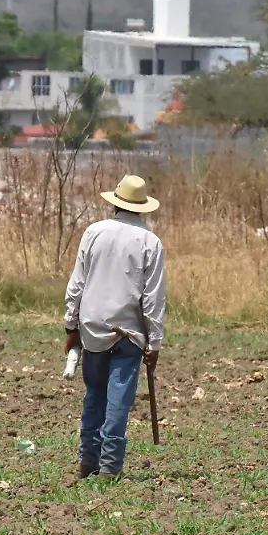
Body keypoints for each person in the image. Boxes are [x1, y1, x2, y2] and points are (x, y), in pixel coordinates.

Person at [64, 175, 165, 482]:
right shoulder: (150, 242)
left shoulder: (93, 232)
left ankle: (87, 462)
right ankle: (110, 467)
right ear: (143, 208)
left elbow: (76, 284)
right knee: (119, 400)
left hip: (92, 327)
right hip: (129, 333)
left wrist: (70, 325)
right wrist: (154, 343)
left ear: (115, 203)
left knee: (94, 393)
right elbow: (153, 297)